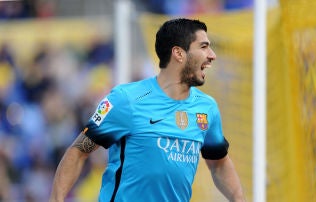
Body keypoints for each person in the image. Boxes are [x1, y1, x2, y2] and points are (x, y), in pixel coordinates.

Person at [50, 18, 246, 202]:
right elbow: (78, 152)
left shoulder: (207, 108)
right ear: (178, 53)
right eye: (204, 47)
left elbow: (219, 164)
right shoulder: (125, 99)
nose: (212, 55)